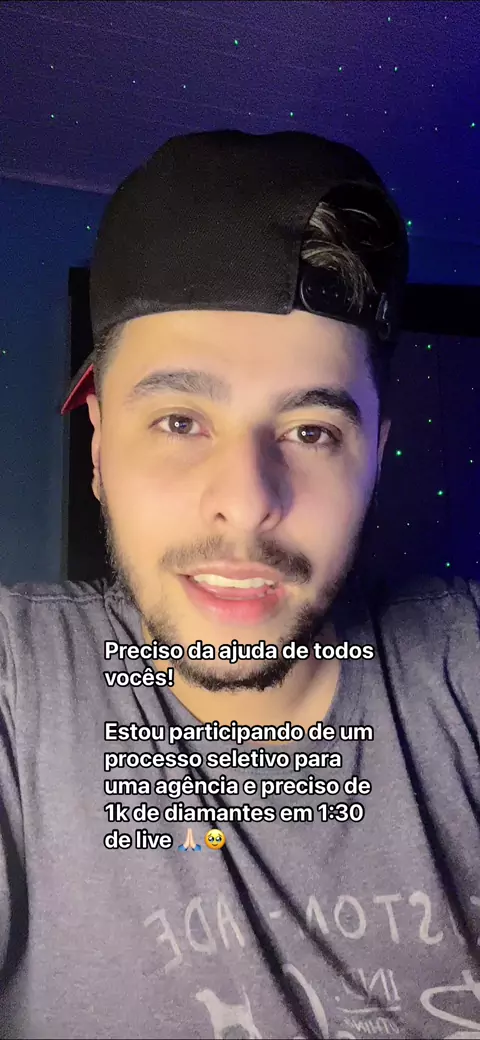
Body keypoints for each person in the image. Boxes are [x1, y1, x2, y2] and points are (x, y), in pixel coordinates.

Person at [0, 129, 478, 1040]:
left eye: (311, 431)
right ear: (98, 446)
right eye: (180, 420)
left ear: (375, 458)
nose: (249, 501)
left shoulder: (464, 671)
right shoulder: (18, 693)